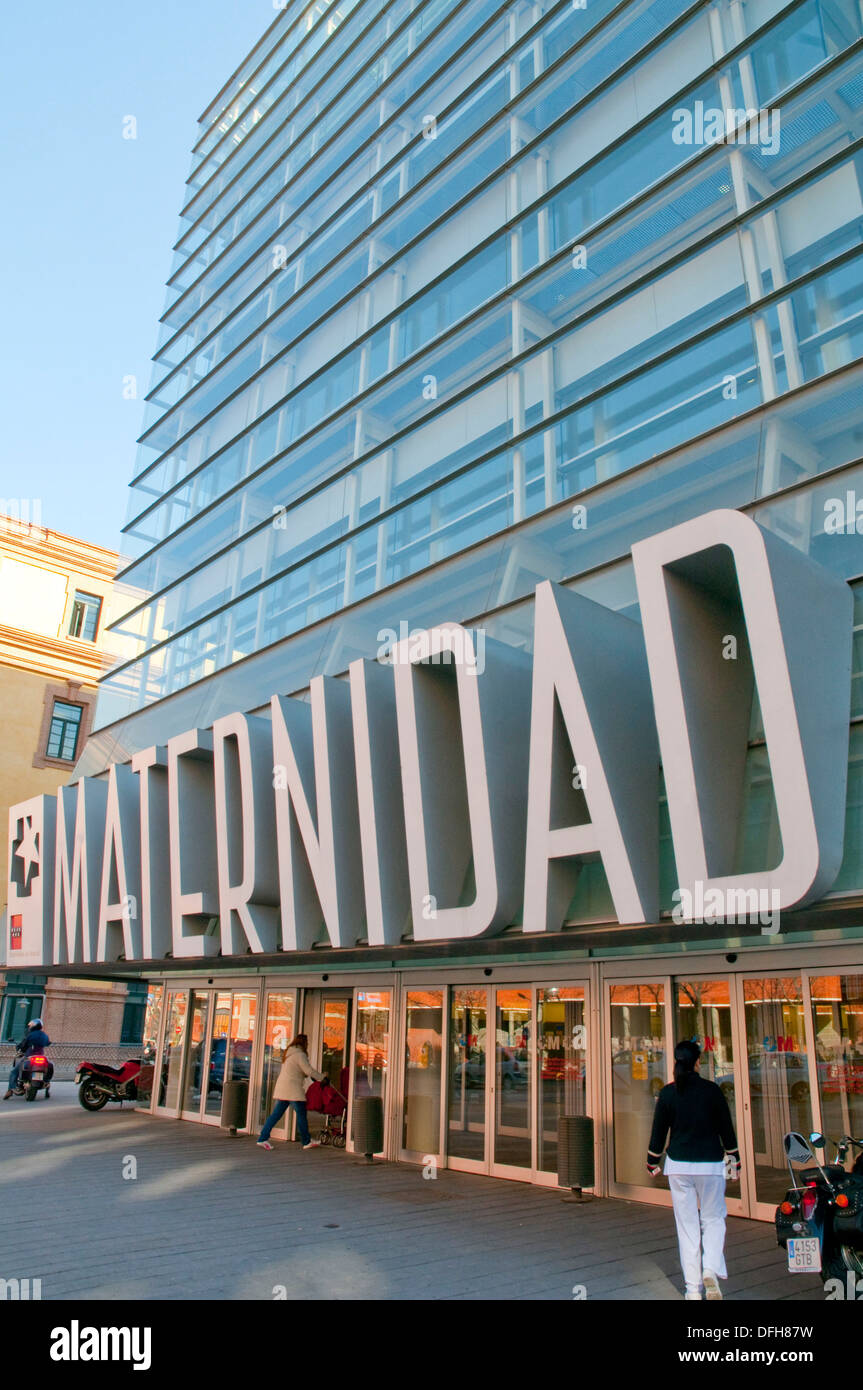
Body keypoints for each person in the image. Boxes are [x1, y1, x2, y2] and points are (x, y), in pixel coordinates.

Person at [646, 1039, 740, 1301]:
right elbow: (726, 1129)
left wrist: (652, 1161)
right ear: (698, 1062)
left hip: (678, 1166)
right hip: (710, 1165)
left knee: (686, 1227)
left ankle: (692, 1290)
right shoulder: (712, 1091)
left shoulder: (668, 1093)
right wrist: (735, 1159)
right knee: (713, 1218)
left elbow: (658, 1133)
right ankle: (710, 1268)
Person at [257, 1034, 324, 1150]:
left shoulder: (289, 1054)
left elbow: (298, 1071)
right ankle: (306, 1141)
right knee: (301, 1115)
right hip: (293, 1090)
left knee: (275, 1115)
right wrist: (322, 1078)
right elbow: (308, 1070)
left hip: (283, 1089)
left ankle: (262, 1138)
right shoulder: (300, 1055)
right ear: (304, 1043)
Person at [4, 1018, 52, 1099]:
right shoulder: (44, 1035)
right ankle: (47, 1082)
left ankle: (10, 1090)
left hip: (30, 1056)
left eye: (30, 1026)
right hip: (41, 1056)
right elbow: (48, 1043)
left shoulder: (30, 1035)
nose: (29, 1027)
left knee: (14, 1071)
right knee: (50, 1066)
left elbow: (24, 1045)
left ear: (33, 1026)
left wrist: (20, 1049)